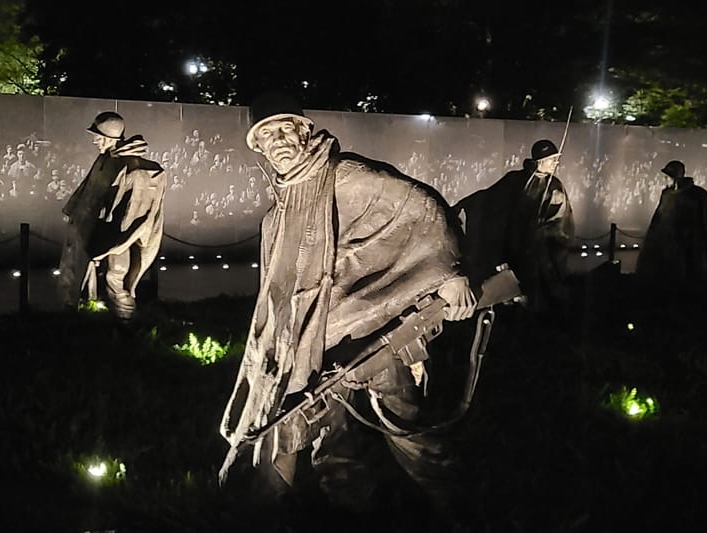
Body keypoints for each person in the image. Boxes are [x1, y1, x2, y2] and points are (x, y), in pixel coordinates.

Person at [219, 91, 477, 525]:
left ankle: (447, 499)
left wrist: (448, 276)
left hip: (375, 329)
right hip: (317, 341)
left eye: (285, 128)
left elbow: (421, 207)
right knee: (330, 428)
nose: (278, 140)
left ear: (303, 131)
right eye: (266, 135)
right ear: (259, 148)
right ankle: (347, 507)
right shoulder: (277, 212)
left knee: (404, 419)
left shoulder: (346, 175)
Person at [57, 111, 166, 320]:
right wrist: (75, 210)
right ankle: (97, 314)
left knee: (116, 274)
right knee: (97, 271)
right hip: (98, 226)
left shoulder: (132, 167)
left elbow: (134, 210)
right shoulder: (104, 160)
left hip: (118, 232)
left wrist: (115, 238)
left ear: (109, 138)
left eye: (97, 136)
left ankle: (126, 322)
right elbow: (89, 188)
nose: (94, 140)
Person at [453, 139, 574, 312]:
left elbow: (559, 221)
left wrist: (540, 234)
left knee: (539, 286)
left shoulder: (554, 187)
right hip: (513, 245)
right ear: (540, 161)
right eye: (552, 159)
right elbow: (488, 197)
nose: (556, 163)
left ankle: (541, 310)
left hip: (537, 250)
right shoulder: (515, 179)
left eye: (556, 159)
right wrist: (463, 204)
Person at [635, 160, 707, 283]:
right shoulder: (667, 194)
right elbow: (658, 219)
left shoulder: (698, 195)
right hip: (668, 247)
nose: (665, 180)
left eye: (667, 177)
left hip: (690, 246)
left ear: (676, 177)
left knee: (688, 280)